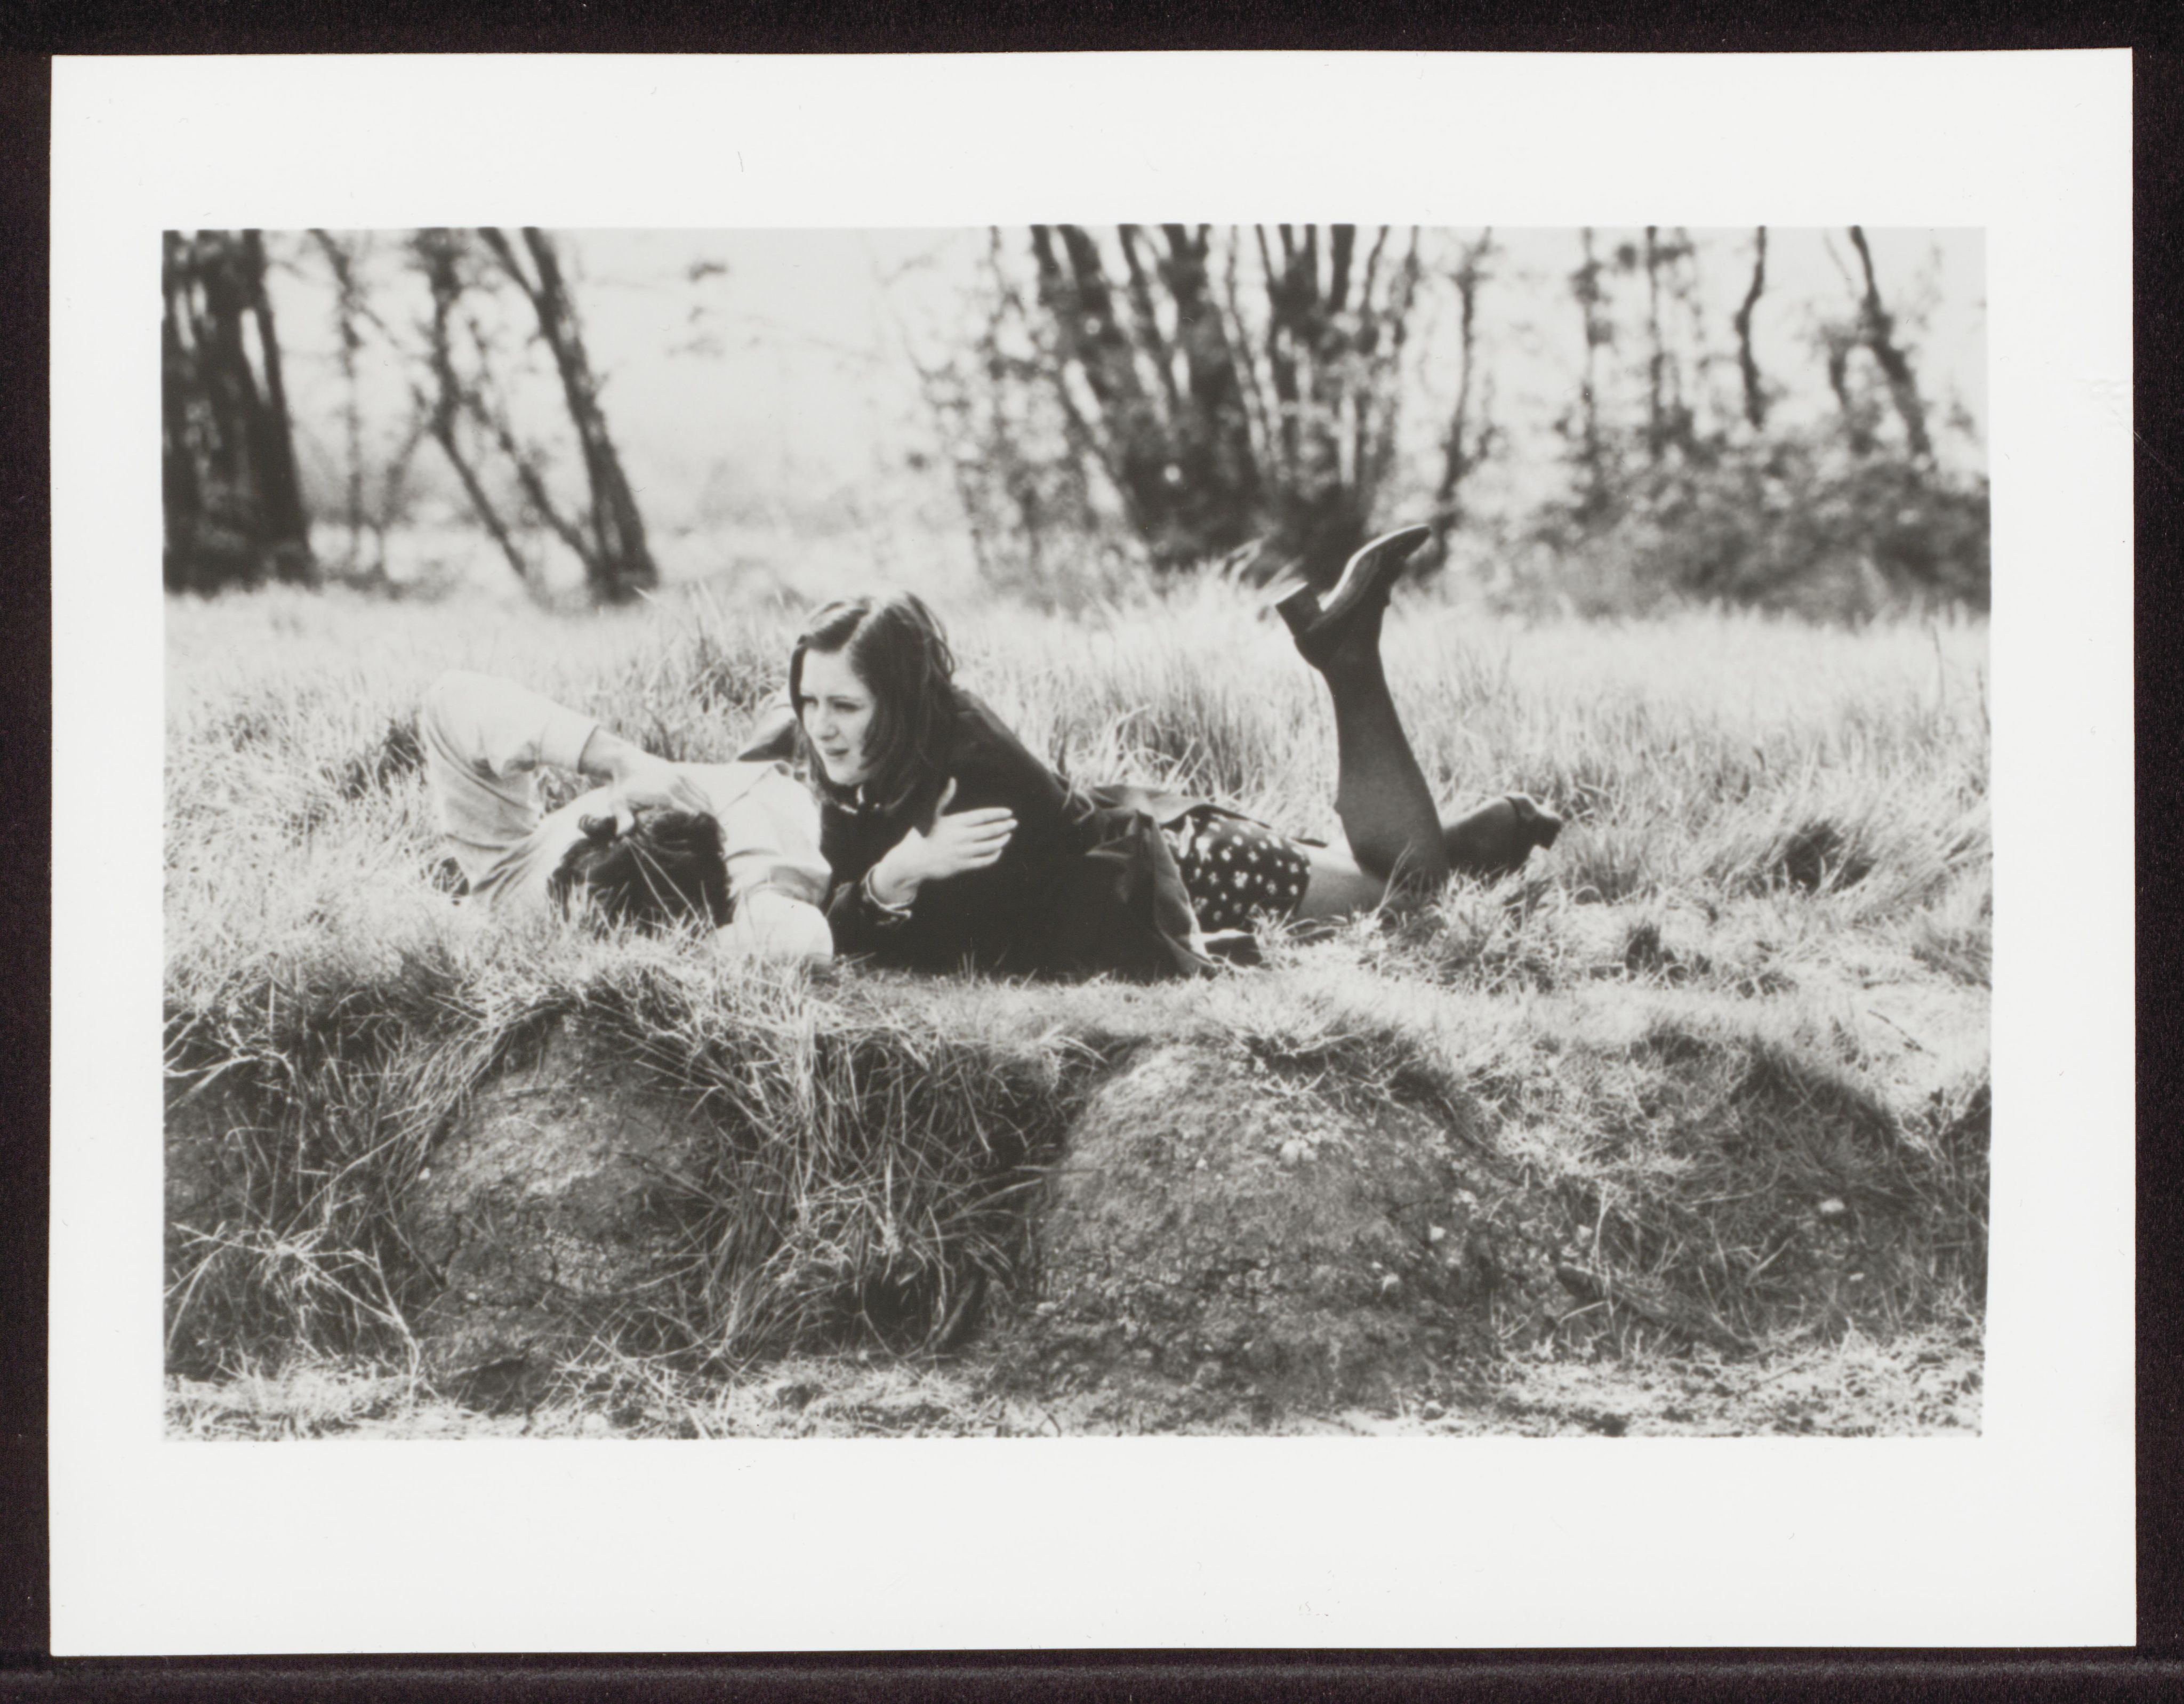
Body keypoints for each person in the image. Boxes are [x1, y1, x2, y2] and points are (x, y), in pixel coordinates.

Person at [735, 525, 1561, 978]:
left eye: (844, 705)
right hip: (1150, 848)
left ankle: (1348, 660)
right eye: (809, 702)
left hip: (1190, 874)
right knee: (1393, 878)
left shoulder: (966, 768)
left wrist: (894, 877)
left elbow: (915, 951)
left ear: (899, 699)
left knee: (1411, 897)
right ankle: (1483, 836)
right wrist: (891, 873)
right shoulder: (865, 749)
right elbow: (838, 890)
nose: (822, 727)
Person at [421, 669, 834, 962]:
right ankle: (788, 702)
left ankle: (792, 699)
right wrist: (620, 760)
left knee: (801, 741)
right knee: (776, 739)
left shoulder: (759, 876)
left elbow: (809, 939)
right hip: (689, 798)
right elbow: (451, 699)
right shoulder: (520, 888)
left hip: (766, 799)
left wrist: (670, 955)